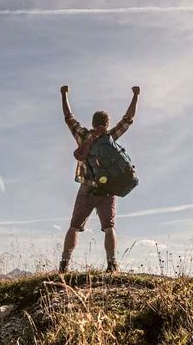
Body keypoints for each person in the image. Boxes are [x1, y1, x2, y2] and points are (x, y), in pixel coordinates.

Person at [58, 84, 140, 273]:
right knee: (109, 227)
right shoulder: (109, 137)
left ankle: (64, 265)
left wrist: (64, 94)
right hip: (107, 190)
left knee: (74, 226)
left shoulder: (83, 136)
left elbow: (68, 118)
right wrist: (135, 96)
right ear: (107, 123)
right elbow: (128, 119)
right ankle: (112, 264)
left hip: (87, 188)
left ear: (93, 122)